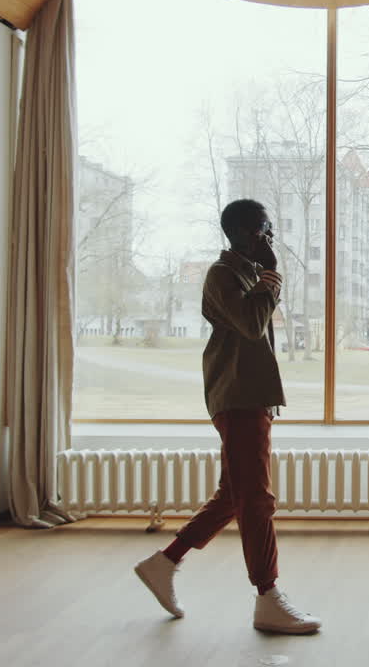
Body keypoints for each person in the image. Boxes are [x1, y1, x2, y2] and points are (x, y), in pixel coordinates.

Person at [134, 199, 321, 634]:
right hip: (236, 398)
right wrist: (272, 276)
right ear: (241, 232)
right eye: (263, 229)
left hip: (250, 396)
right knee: (256, 500)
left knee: (233, 495)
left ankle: (163, 564)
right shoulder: (222, 275)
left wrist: (266, 276)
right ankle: (268, 596)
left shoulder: (248, 274)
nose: (270, 237)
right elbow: (252, 324)